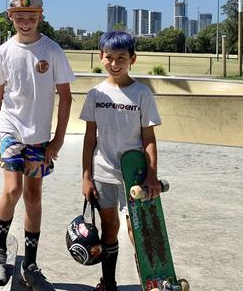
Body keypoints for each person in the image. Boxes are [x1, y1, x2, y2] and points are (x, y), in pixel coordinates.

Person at [0, 0, 75, 290]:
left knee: (34, 197)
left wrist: (57, 140)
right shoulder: (3, 52)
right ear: (10, 17)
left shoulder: (52, 51)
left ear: (40, 16)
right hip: (10, 130)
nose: (25, 21)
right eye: (19, 16)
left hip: (39, 137)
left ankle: (31, 263)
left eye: (31, 16)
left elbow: (65, 97)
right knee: (12, 190)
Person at [79, 31, 162, 291]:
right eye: (110, 57)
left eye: (121, 58)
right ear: (101, 57)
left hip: (134, 173)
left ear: (132, 59)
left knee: (137, 231)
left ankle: (149, 281)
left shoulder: (142, 94)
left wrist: (151, 173)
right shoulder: (95, 94)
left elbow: (149, 137)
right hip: (103, 172)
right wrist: (86, 177)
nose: (115, 63)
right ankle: (108, 281)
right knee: (109, 228)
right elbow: (89, 137)